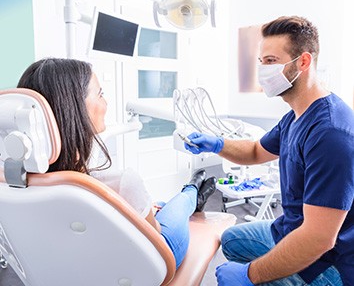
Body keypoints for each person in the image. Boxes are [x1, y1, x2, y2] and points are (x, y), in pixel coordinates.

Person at [184, 16, 354, 285]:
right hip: (291, 228)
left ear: (304, 62)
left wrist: (250, 275)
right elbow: (254, 151)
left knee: (252, 274)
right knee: (231, 240)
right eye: (261, 62)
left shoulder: (331, 133)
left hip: (330, 260)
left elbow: (319, 238)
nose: (262, 70)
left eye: (271, 61)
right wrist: (216, 144)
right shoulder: (295, 116)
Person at [17, 57, 217, 269]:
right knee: (177, 207)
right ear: (74, 108)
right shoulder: (121, 182)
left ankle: (179, 198)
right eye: (100, 94)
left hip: (71, 269)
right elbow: (156, 239)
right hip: (147, 267)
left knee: (160, 205)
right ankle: (192, 191)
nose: (106, 102)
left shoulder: (18, 183)